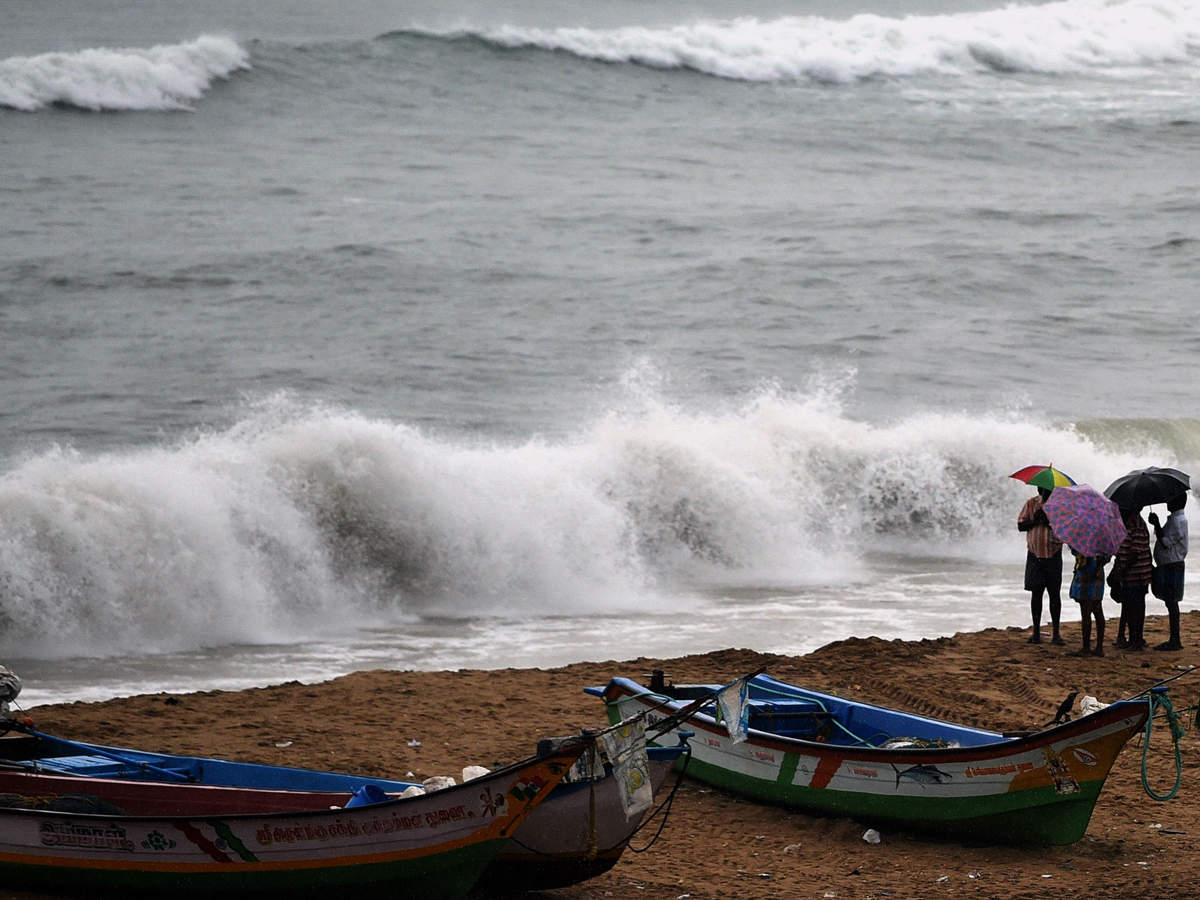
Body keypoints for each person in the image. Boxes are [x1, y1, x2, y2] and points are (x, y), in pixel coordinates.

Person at [1017, 487, 1064, 644]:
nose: (1045, 492)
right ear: (1038, 489)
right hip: (1034, 555)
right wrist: (1035, 521)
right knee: (1036, 594)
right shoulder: (1031, 504)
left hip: (1053, 554)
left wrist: (1049, 522)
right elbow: (1021, 526)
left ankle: (1056, 633)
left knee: (1054, 595)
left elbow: (1066, 530)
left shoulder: (1060, 507)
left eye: (1048, 490)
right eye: (1042, 490)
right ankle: (1036, 632)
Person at [1109, 506, 1153, 650]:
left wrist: (1121, 572)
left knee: (1136, 608)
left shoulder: (1137, 525)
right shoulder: (1126, 524)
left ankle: (1137, 640)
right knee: (1129, 606)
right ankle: (1133, 638)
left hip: (1138, 574)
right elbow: (1122, 551)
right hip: (1130, 574)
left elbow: (1135, 553)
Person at [1149, 492, 1188, 651]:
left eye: (1169, 499)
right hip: (1171, 564)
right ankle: (1174, 638)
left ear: (1176, 502)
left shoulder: (1177, 522)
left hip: (1171, 565)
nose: (1167, 501)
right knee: (1171, 601)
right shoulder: (1177, 520)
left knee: (1171, 601)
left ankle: (1175, 639)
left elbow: (1165, 542)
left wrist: (1156, 524)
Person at [1068, 549, 1109, 656]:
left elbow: (1077, 552)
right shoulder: (1103, 539)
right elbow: (1107, 557)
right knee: (1097, 608)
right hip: (1098, 573)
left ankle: (1086, 648)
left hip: (1086, 574)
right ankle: (1099, 647)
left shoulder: (1084, 540)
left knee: (1086, 612)